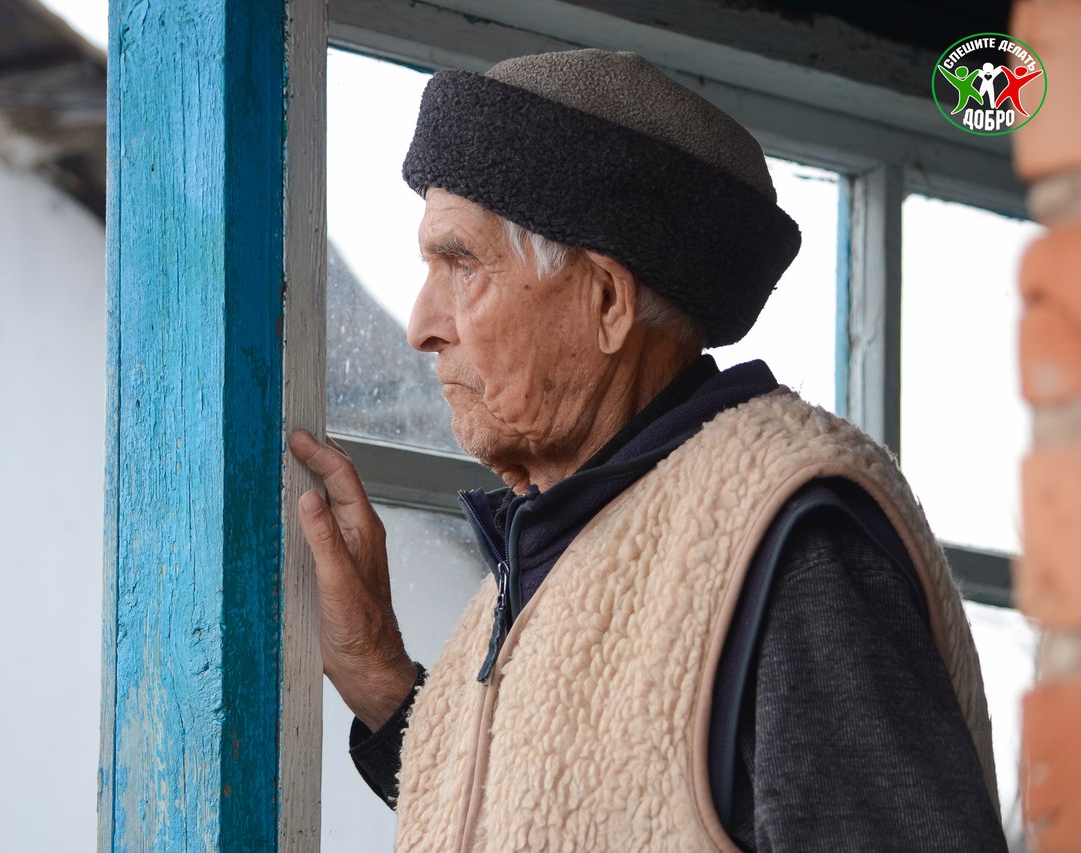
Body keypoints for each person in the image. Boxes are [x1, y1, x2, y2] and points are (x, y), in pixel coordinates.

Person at [289, 49, 1006, 851]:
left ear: (605, 301)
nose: (422, 325)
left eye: (461, 265)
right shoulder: (557, 546)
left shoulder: (790, 543)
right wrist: (378, 675)